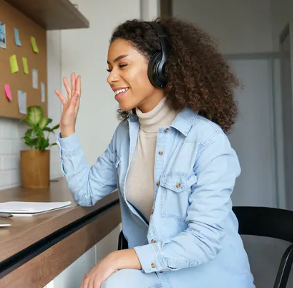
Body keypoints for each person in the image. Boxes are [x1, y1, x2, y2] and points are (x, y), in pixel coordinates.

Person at [54, 17, 255, 288]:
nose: (111, 77)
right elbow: (86, 192)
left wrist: (118, 258)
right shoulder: (124, 135)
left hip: (209, 279)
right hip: (158, 274)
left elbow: (202, 241)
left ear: (159, 67)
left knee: (112, 277)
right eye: (109, 68)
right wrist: (67, 128)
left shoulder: (207, 140)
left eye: (122, 65)